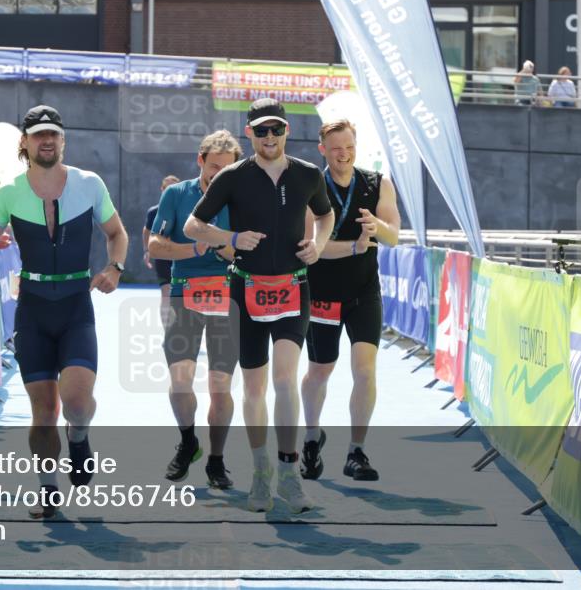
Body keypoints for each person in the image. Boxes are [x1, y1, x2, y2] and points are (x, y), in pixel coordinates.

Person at [0, 105, 128, 519]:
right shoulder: (8, 192)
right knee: (43, 412)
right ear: (24, 142)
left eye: (53, 134)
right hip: (33, 309)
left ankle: (79, 436)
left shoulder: (89, 184)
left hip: (76, 305)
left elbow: (116, 233)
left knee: (76, 403)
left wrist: (114, 267)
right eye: (39, 134)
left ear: (63, 141)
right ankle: (48, 490)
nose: (46, 140)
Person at [184, 98, 334, 514]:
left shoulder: (307, 174)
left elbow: (325, 216)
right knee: (254, 387)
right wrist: (230, 239)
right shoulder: (232, 176)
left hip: (293, 286)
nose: (270, 137)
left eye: (277, 129)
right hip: (246, 288)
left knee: (285, 379)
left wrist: (318, 245)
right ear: (249, 133)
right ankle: (261, 471)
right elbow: (193, 225)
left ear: (287, 131)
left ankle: (288, 472)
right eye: (262, 130)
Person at [301, 119, 401, 483]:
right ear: (322, 150)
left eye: (349, 147)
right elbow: (312, 249)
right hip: (322, 294)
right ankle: (312, 436)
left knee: (365, 370)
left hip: (364, 293)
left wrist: (377, 226)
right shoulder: (311, 185)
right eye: (336, 149)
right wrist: (355, 247)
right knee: (320, 370)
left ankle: (356, 451)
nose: (343, 154)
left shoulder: (378, 183)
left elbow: (393, 236)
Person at [149, 132, 240, 488]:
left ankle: (217, 460)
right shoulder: (176, 194)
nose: (219, 175)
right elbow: (156, 246)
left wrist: (219, 245)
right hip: (183, 293)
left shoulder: (241, 196)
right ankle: (188, 441)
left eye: (227, 170)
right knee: (180, 380)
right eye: (214, 166)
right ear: (200, 160)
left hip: (228, 295)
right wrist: (195, 250)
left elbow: (246, 249)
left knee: (220, 386)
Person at [143, 175, 180, 324]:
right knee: (166, 293)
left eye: (174, 189)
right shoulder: (153, 212)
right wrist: (147, 250)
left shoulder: (186, 211)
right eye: (167, 189)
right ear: (162, 189)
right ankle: (167, 332)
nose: (170, 192)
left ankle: (185, 330)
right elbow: (146, 231)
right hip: (162, 258)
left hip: (182, 258)